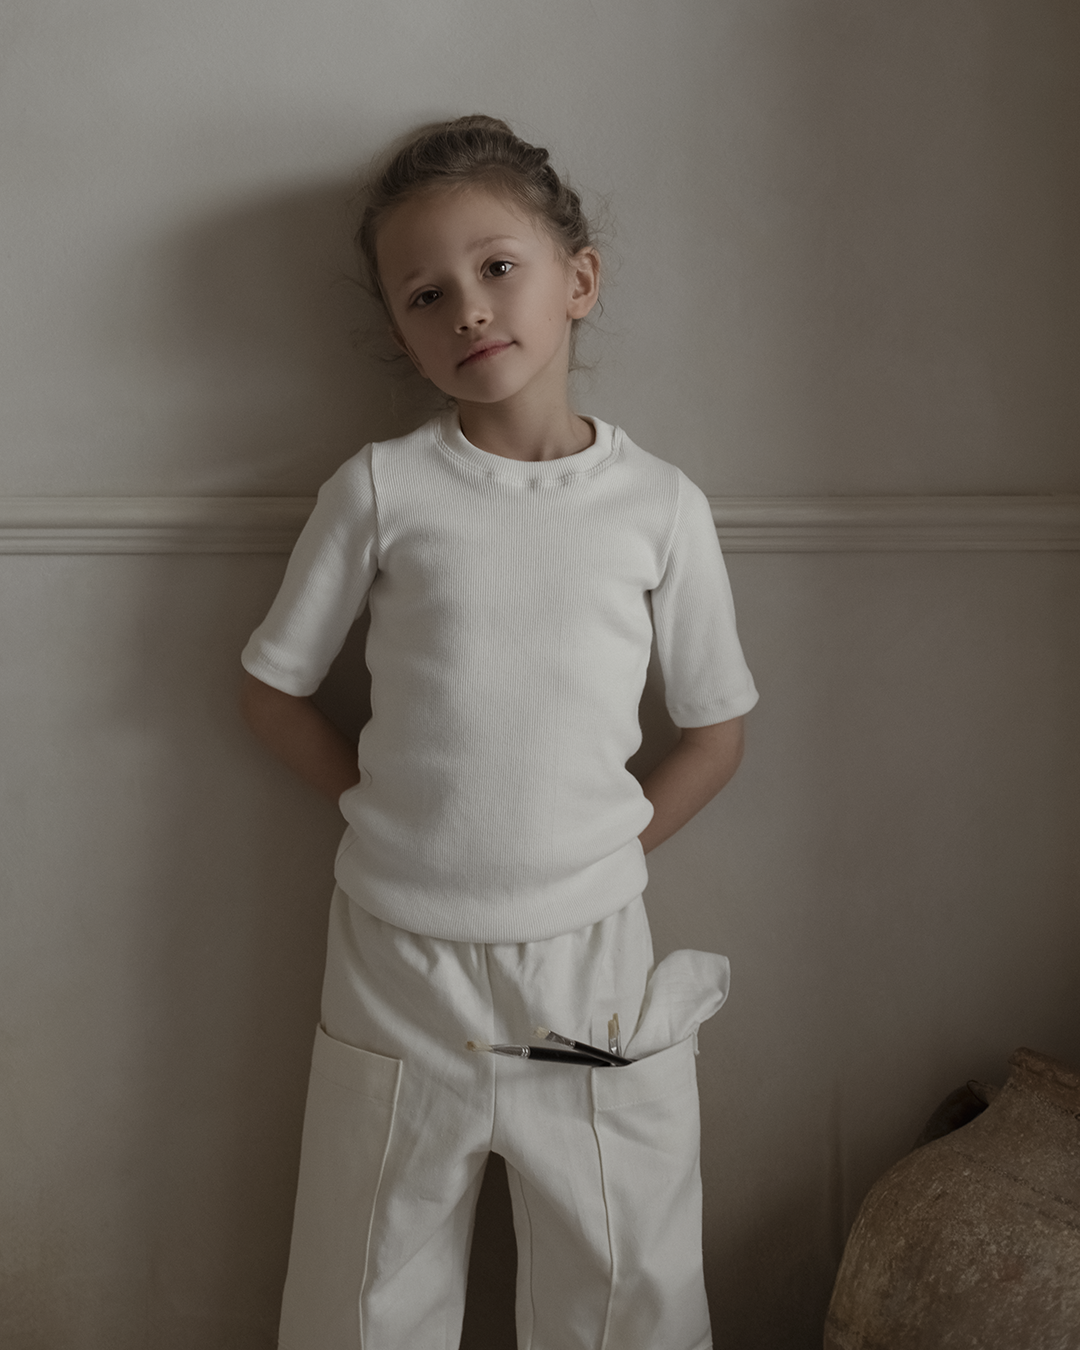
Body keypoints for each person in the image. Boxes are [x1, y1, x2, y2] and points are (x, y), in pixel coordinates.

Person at [240, 114, 759, 1350]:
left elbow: (716, 730)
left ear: (577, 279)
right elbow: (270, 688)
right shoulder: (381, 491)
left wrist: (605, 847)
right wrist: (385, 813)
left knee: (623, 1277)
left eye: (497, 268)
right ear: (400, 330)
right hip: (395, 957)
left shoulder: (660, 509)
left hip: (589, 957)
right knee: (367, 1281)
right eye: (426, 294)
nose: (467, 308)